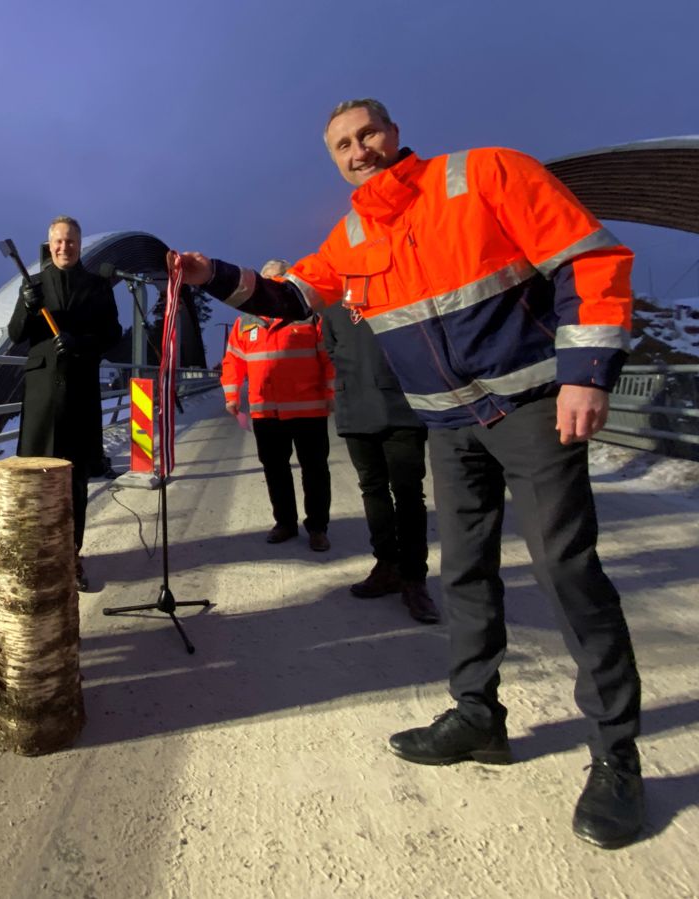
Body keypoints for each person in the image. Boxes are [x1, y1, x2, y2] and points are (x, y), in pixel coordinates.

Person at [170, 98, 644, 849]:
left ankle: (617, 755)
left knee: (565, 569)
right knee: (463, 570)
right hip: (449, 424)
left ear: (393, 133)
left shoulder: (485, 173)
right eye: (342, 146)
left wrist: (587, 372)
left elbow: (589, 258)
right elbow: (292, 296)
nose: (359, 150)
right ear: (334, 159)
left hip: (528, 405)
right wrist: (209, 274)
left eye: (368, 134)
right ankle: (477, 715)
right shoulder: (354, 234)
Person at [7, 216, 122, 592]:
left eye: (70, 241)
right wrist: (26, 306)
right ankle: (39, 556)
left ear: (79, 243)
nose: (64, 247)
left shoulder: (97, 286)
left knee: (75, 482)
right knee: (36, 480)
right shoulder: (34, 284)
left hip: (80, 394)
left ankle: (72, 555)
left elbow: (111, 334)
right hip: (42, 398)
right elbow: (15, 334)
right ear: (49, 243)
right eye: (58, 241)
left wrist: (82, 344)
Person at [320, 301, 439, 623]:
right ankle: (386, 565)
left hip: (401, 406)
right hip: (355, 408)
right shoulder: (331, 308)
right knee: (372, 489)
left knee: (408, 493)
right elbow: (331, 349)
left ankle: (414, 578)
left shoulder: (398, 291)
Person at [221, 259, 335, 552]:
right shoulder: (246, 322)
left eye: (281, 281)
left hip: (308, 409)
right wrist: (232, 395)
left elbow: (329, 359)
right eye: (269, 281)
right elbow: (233, 360)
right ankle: (285, 523)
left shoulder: (309, 318)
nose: (275, 286)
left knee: (315, 470)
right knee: (275, 469)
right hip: (266, 411)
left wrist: (332, 394)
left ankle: (318, 527)